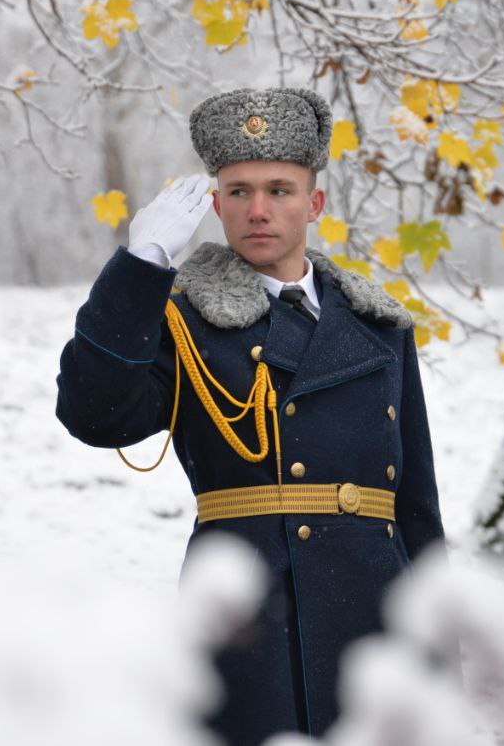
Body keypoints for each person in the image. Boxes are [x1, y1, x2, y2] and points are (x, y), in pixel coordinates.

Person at [55, 86, 445, 745]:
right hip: (250, 620)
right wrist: (140, 266)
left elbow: (417, 506)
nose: (257, 210)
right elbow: (96, 415)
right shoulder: (180, 318)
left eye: (279, 189)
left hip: (379, 613)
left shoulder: (380, 327)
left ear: (314, 202)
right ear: (215, 203)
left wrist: (440, 662)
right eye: (237, 192)